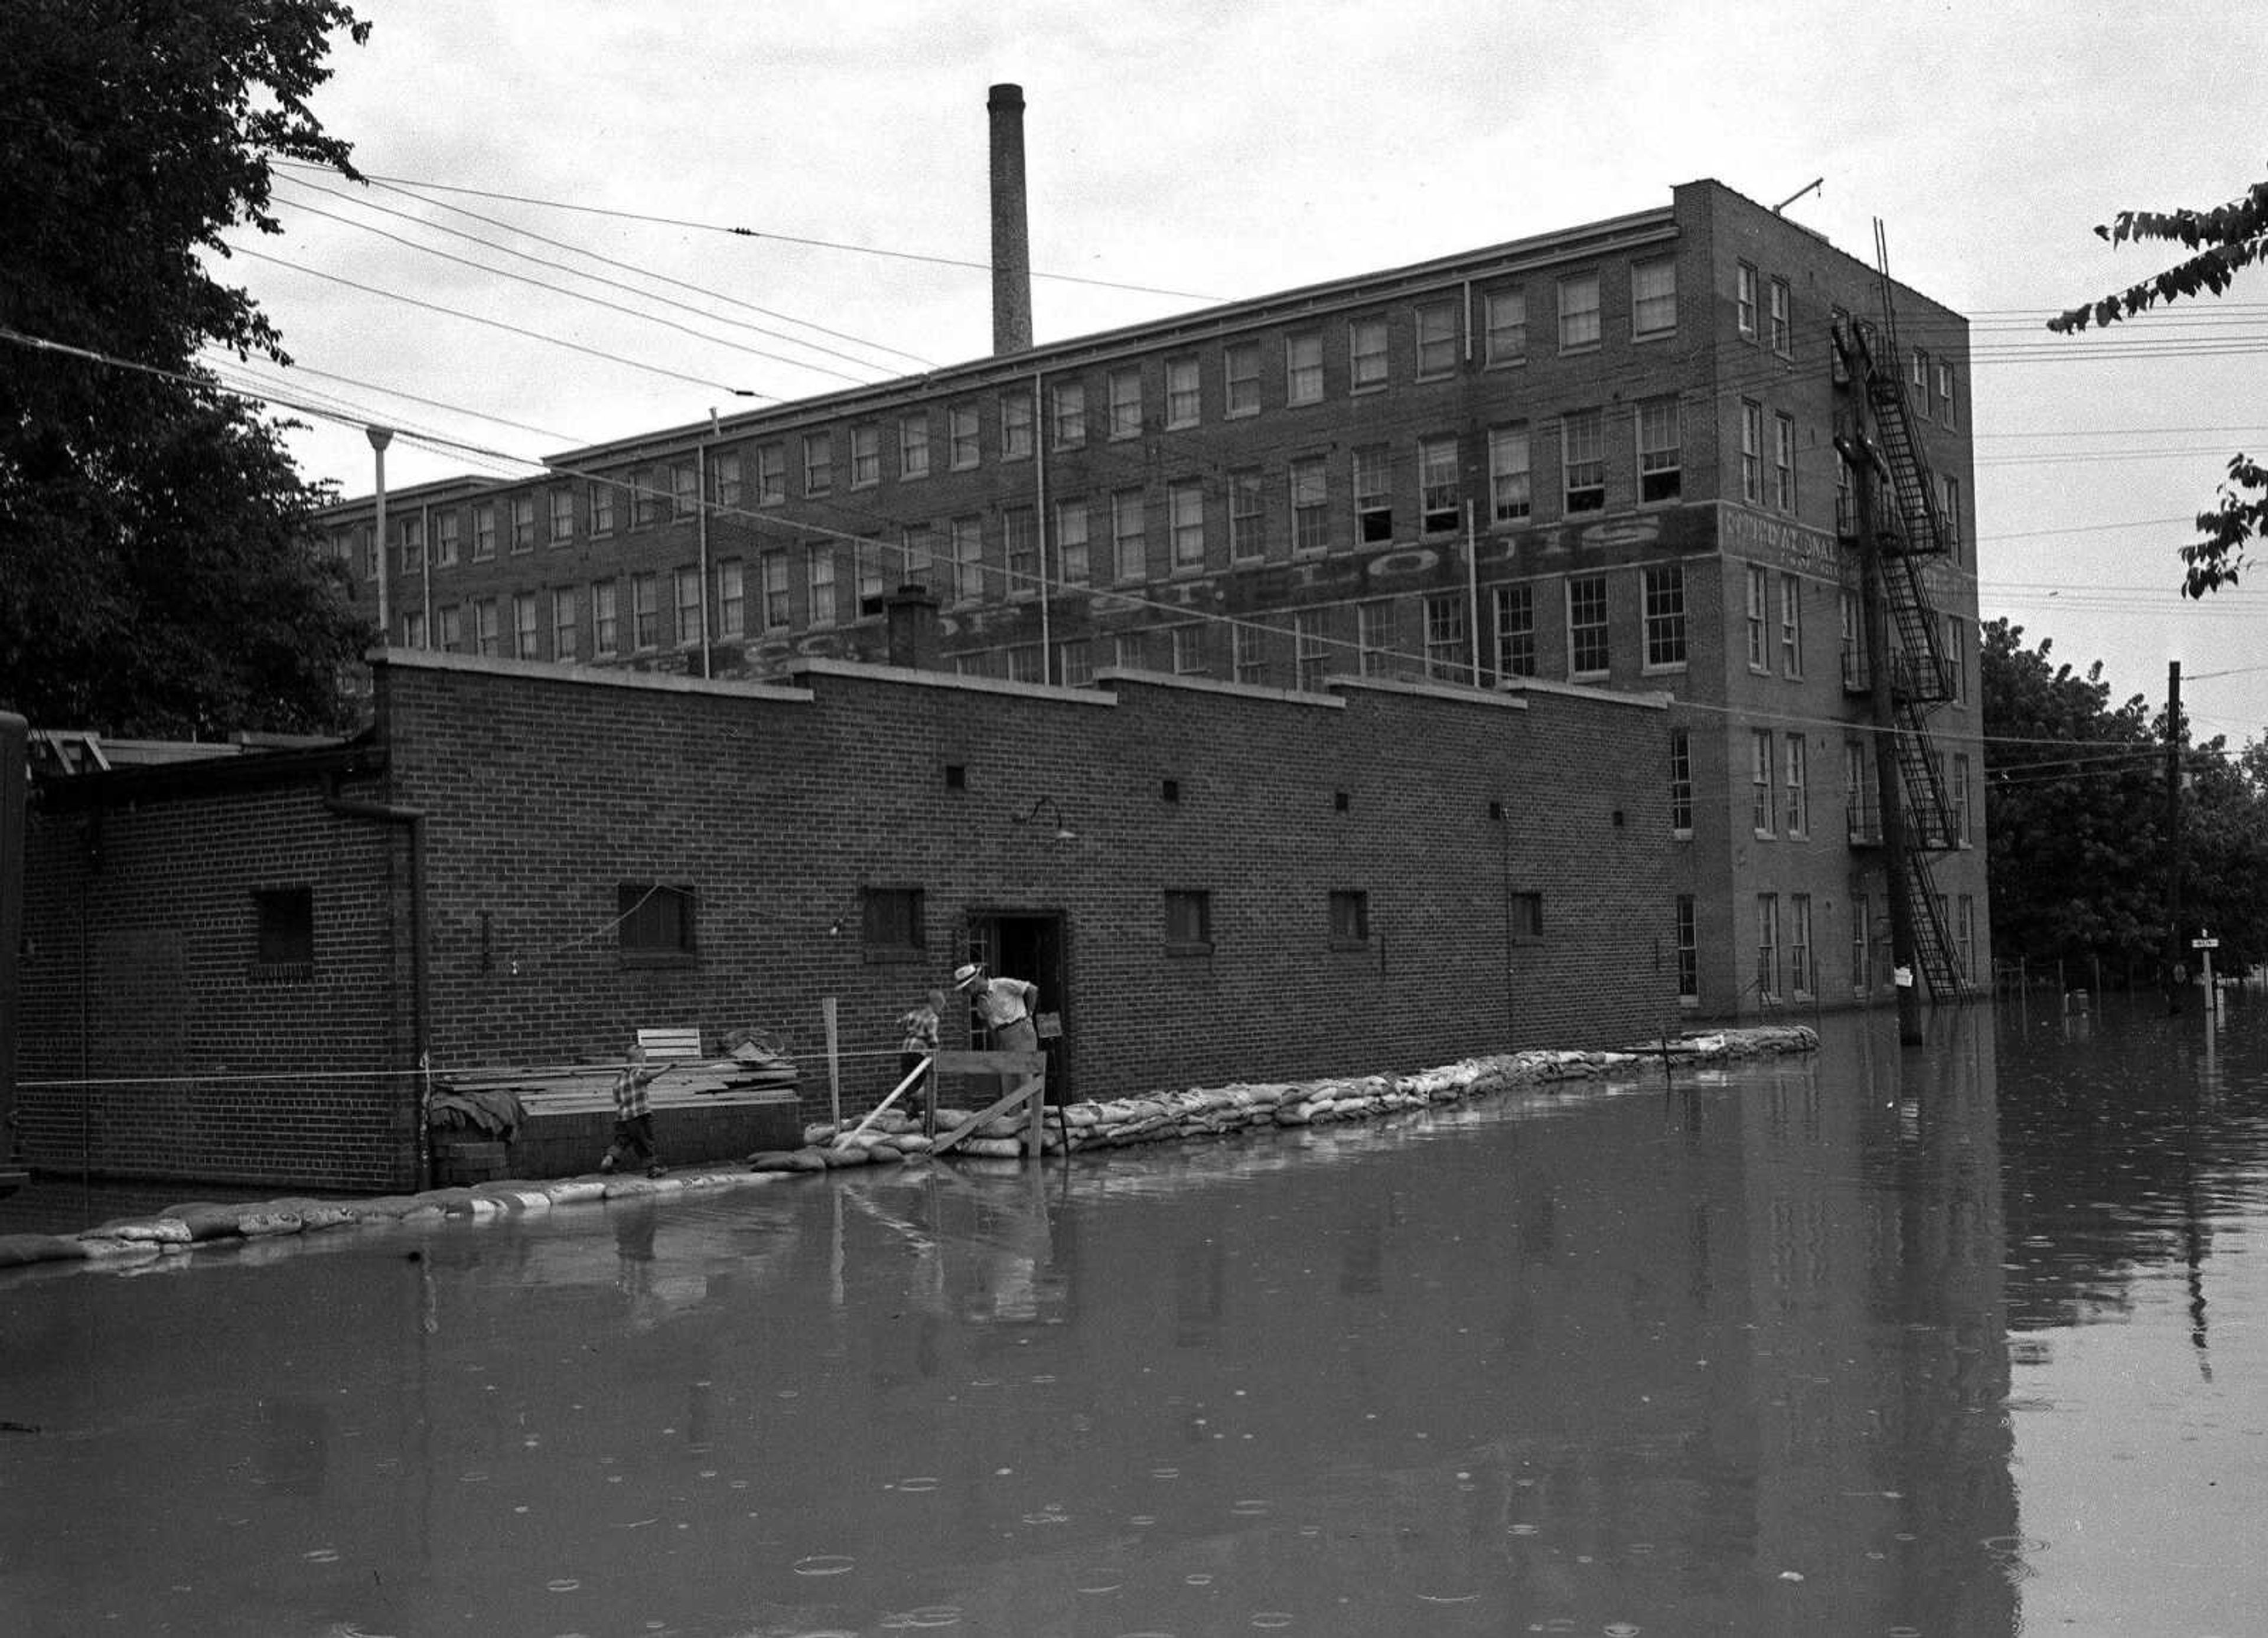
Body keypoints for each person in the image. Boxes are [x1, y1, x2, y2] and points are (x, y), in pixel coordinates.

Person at [599, 1040, 667, 1177]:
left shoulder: (621, 1078)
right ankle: (652, 1169)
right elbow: (648, 1077)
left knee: (621, 1141)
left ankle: (609, 1159)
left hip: (623, 1118)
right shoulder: (639, 1072)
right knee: (645, 1142)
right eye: (644, 1058)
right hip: (640, 1116)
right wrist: (667, 1068)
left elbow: (617, 1098)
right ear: (640, 1060)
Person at [953, 961, 1040, 1053]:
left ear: (973, 983)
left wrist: (1029, 1015)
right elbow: (987, 1024)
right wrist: (996, 1042)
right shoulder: (981, 1001)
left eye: (966, 989)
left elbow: (1032, 990)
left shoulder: (1001, 984)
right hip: (1001, 1037)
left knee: (1023, 1065)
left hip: (1020, 1031)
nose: (967, 993)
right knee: (1006, 1067)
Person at [896, 988, 946, 1124]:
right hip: (920, 1052)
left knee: (908, 1080)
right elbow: (933, 1038)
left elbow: (899, 1022)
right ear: (936, 1003)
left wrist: (910, 1032)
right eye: (942, 1006)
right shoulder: (933, 1018)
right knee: (923, 1082)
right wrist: (937, 1052)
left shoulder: (914, 1014)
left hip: (906, 1051)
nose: (942, 1010)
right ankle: (917, 1106)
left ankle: (910, 1110)